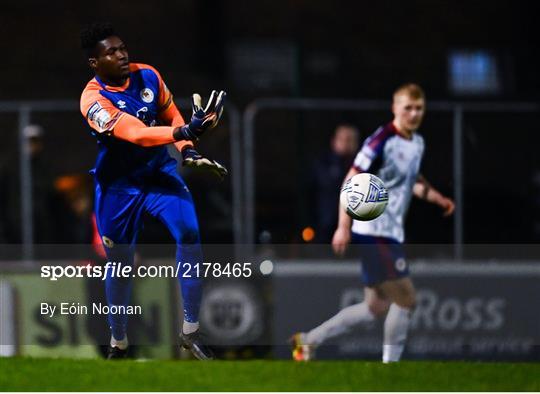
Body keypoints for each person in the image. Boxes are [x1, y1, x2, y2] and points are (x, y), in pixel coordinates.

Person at [79, 22, 227, 360]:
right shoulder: (93, 100)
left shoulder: (147, 75)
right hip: (118, 186)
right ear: (94, 63)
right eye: (111, 52)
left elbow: (169, 112)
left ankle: (191, 332)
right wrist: (186, 130)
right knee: (120, 262)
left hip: (158, 174)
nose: (121, 54)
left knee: (189, 233)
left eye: (122, 47)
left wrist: (189, 148)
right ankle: (118, 339)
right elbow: (137, 135)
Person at [291, 83, 455, 363]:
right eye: (408, 108)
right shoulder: (381, 140)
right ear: (395, 108)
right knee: (407, 299)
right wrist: (344, 225)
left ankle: (307, 341)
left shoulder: (416, 142)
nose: (414, 114)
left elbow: (412, 181)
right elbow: (351, 180)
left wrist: (436, 197)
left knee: (374, 307)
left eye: (419, 108)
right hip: (373, 230)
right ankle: (390, 369)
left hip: (391, 231)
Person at [308, 124, 359, 242]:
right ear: (334, 141)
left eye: (350, 140)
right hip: (324, 225)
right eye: (342, 139)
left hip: (354, 227)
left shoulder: (364, 167)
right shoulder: (322, 164)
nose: (346, 144)